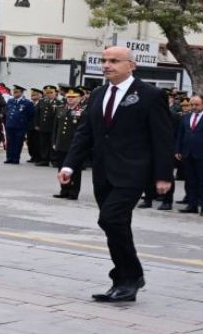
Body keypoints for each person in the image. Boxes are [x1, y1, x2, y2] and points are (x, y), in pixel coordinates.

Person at [59, 45, 173, 303]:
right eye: (104, 60)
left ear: (131, 65)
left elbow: (163, 138)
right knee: (116, 224)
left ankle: (131, 275)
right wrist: (69, 165)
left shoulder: (150, 95)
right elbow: (85, 133)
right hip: (103, 172)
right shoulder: (99, 93)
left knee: (110, 219)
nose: (107, 65)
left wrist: (164, 175)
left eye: (114, 61)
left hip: (133, 171)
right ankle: (124, 281)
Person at [174, 95, 203, 216]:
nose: (193, 107)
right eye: (192, 105)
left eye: (196, 105)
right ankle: (192, 205)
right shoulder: (186, 117)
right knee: (190, 181)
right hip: (187, 154)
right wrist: (178, 150)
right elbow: (180, 135)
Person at [52, 87, 85, 200]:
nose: (70, 99)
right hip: (61, 144)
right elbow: (55, 128)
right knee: (61, 168)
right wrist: (54, 142)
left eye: (73, 97)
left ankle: (73, 191)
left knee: (75, 170)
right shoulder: (60, 109)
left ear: (80, 98)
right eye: (68, 97)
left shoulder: (83, 111)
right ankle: (64, 190)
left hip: (74, 145)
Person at [4, 85, 36, 164]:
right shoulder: (10, 101)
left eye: (16, 92)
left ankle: (15, 158)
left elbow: (31, 115)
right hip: (10, 125)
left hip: (20, 126)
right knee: (10, 142)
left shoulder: (27, 103)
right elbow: (6, 112)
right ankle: (9, 158)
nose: (14, 93)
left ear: (21, 93)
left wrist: (25, 123)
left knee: (18, 142)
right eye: (14, 91)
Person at [34, 85, 62, 166]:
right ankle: (44, 159)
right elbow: (37, 114)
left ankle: (54, 160)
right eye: (47, 93)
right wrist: (36, 124)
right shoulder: (42, 101)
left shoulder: (59, 103)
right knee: (43, 143)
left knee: (53, 143)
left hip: (53, 127)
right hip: (43, 126)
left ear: (55, 93)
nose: (49, 94)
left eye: (51, 92)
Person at [26, 88, 43, 163]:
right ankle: (32, 156)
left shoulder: (42, 103)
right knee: (30, 142)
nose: (33, 96)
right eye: (32, 94)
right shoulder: (30, 103)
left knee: (37, 143)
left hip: (37, 126)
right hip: (30, 126)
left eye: (35, 94)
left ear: (40, 96)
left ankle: (38, 157)